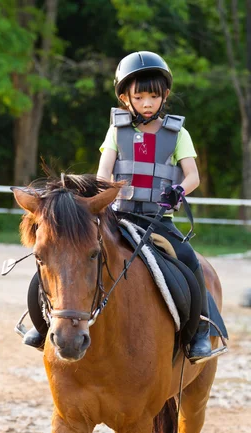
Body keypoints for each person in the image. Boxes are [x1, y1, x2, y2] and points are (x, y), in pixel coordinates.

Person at [96, 50, 214, 363]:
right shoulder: (116, 130)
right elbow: (103, 174)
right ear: (125, 98)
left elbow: (193, 176)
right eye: (140, 96)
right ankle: (43, 321)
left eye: (154, 96)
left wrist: (177, 192)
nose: (147, 103)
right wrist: (104, 197)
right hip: (119, 216)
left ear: (165, 96)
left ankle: (201, 331)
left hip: (158, 221)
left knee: (190, 260)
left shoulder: (178, 133)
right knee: (73, 250)